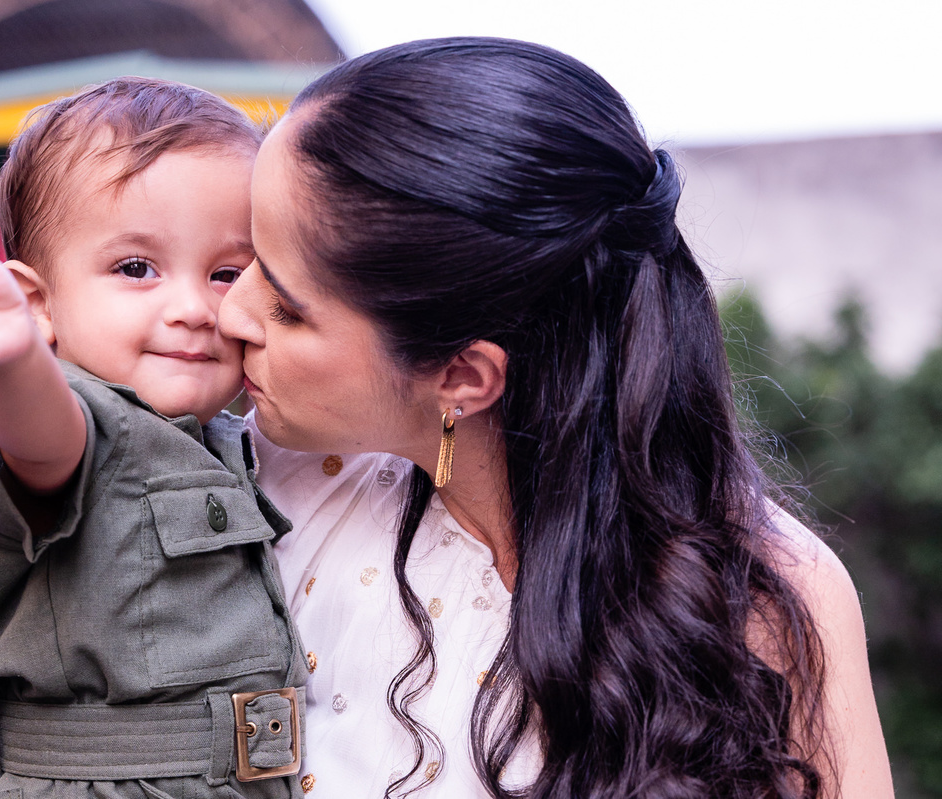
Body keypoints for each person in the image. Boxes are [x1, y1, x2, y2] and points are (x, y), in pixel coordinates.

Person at [217, 38, 895, 798]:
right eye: (239, 259)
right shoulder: (252, 492)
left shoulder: (759, 600)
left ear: (461, 377)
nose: (229, 309)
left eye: (284, 303)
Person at [0, 78, 308, 799]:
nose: (191, 308)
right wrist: (11, 355)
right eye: (135, 268)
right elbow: (41, 442)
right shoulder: (75, 419)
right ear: (37, 302)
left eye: (226, 273)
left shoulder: (240, 438)